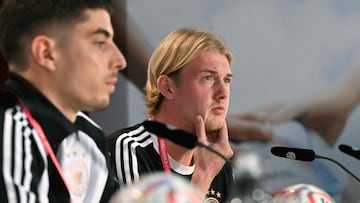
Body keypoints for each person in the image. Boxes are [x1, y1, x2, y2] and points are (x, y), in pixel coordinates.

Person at [0, 0, 127, 202]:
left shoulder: (91, 138)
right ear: (46, 53)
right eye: (100, 43)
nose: (120, 60)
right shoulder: (8, 127)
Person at [107, 28, 234, 203]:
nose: (223, 93)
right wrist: (203, 177)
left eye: (227, 80)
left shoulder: (219, 165)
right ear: (168, 87)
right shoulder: (129, 149)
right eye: (208, 78)